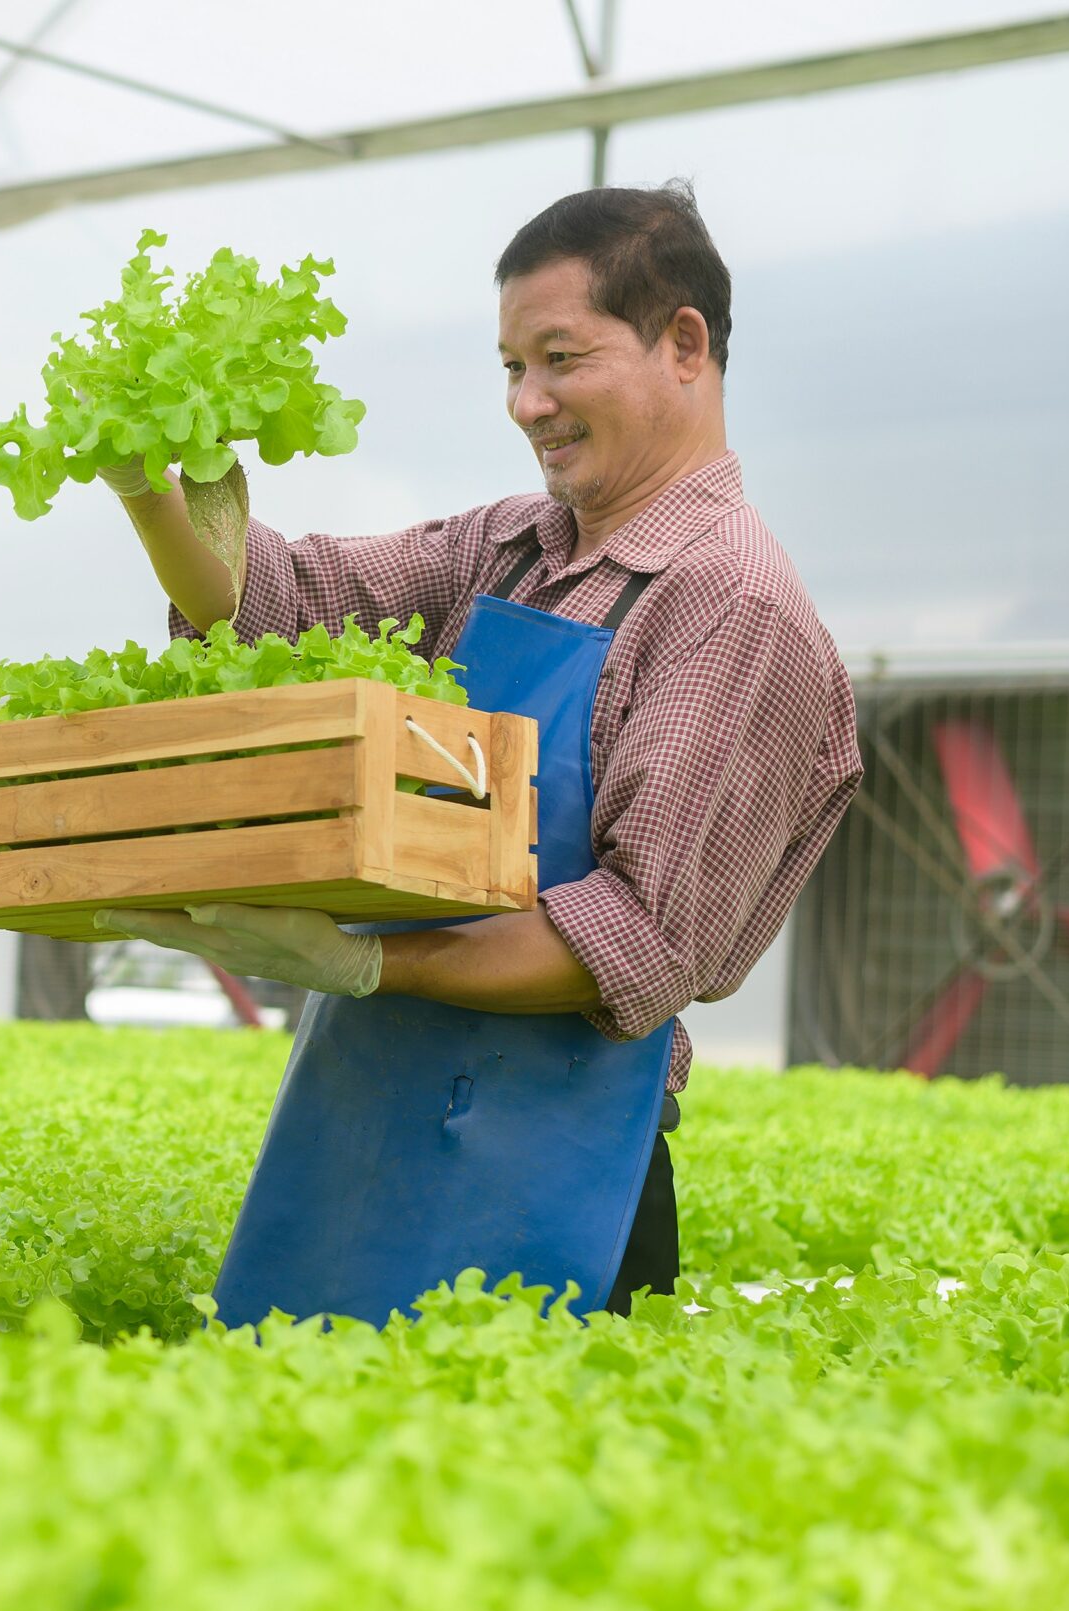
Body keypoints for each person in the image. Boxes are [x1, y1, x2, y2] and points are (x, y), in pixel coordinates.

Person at [92, 181, 862, 1321]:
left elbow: (634, 937)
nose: (528, 401)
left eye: (560, 357)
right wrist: (156, 492)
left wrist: (358, 963)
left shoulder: (729, 605)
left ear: (683, 344)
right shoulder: (508, 544)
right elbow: (284, 607)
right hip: (368, 1117)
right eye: (510, 366)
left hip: (557, 1158)